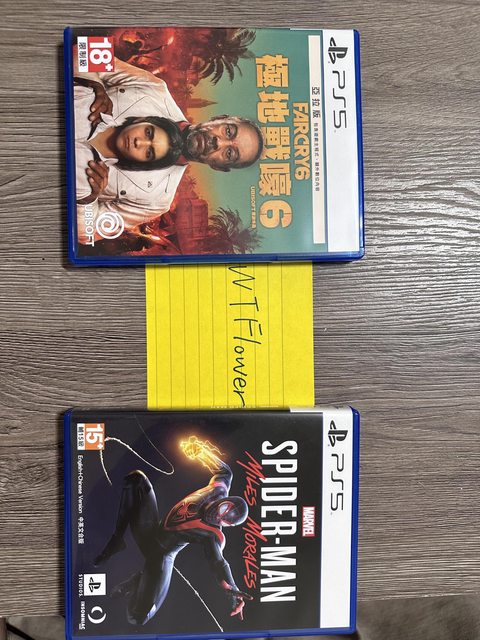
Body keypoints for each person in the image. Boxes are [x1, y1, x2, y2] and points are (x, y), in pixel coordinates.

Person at [73, 57, 264, 245]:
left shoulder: (158, 201)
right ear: (218, 118)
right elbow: (85, 50)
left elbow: (89, 234)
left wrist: (87, 200)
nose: (218, 142)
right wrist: (92, 84)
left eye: (229, 153)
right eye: (228, 131)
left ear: (219, 167)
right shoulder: (155, 88)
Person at [94, 445, 250, 626]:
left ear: (227, 525)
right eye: (223, 510)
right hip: (150, 530)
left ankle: (137, 581)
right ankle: (117, 539)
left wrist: (232, 588)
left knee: (138, 617)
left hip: (160, 558)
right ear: (224, 500)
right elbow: (225, 470)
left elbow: (219, 562)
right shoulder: (218, 488)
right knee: (136, 479)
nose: (217, 517)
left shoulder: (213, 535)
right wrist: (200, 450)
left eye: (223, 520)